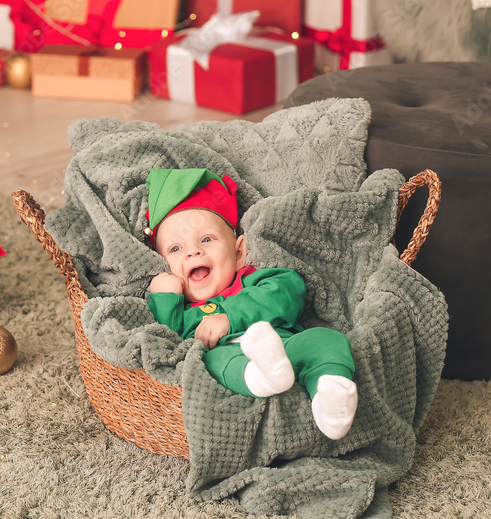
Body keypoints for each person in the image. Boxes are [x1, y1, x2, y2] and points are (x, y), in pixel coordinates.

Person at [145, 168, 358, 440]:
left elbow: (288, 290)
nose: (192, 251)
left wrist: (229, 316)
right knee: (212, 361)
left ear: (238, 252)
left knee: (325, 339)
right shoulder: (184, 313)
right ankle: (261, 377)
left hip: (286, 346)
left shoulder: (253, 280)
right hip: (231, 359)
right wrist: (164, 295)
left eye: (207, 239)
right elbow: (166, 339)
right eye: (175, 249)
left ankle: (332, 399)